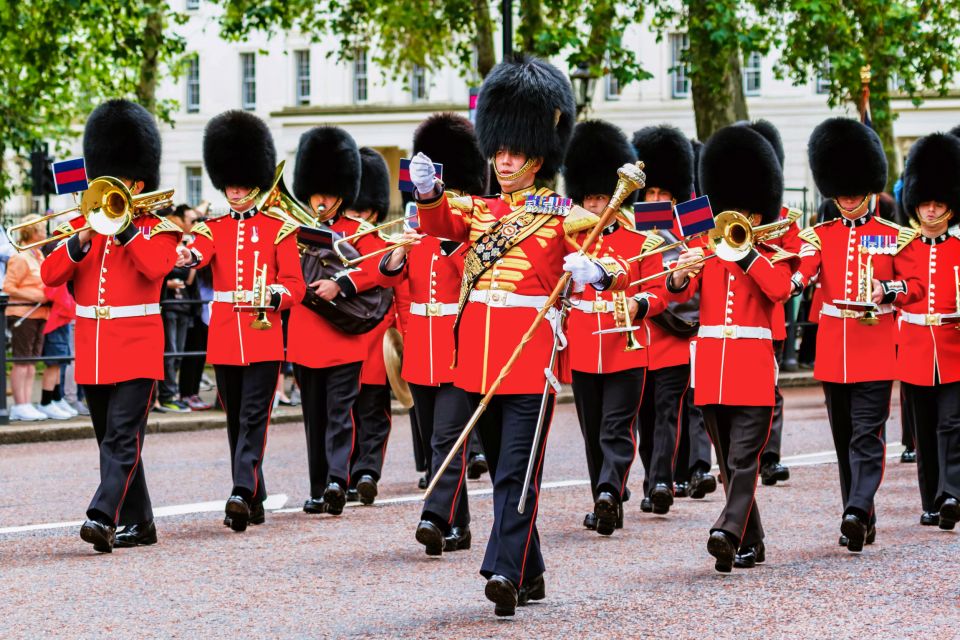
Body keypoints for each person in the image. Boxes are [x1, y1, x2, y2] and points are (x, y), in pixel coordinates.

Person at [409, 55, 632, 617]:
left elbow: (613, 264)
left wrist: (595, 273)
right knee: (489, 467)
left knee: (516, 471)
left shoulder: (565, 219)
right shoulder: (479, 211)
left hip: (528, 363)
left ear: (537, 155)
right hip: (474, 364)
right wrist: (431, 193)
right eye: (498, 151)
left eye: (514, 153)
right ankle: (529, 569)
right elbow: (439, 227)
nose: (503, 162)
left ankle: (505, 571)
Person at [42, 98, 181, 552]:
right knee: (112, 442)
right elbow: (49, 275)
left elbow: (155, 268)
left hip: (138, 346)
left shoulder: (158, 228)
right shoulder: (84, 226)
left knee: (122, 437)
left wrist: (122, 229)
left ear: (137, 183)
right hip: (94, 347)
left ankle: (102, 516)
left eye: (119, 180)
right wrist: (82, 237)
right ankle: (141, 524)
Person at [667, 124, 798, 572]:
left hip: (753, 363)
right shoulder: (707, 243)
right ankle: (750, 541)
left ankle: (726, 529)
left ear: (759, 213)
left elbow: (780, 289)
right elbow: (679, 290)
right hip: (712, 365)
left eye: (745, 210)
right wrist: (681, 273)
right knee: (727, 459)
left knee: (745, 457)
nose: (736, 218)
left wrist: (748, 255)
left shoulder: (770, 250)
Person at [791, 117, 922, 552]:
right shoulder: (820, 235)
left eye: (853, 190)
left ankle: (854, 509)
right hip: (834, 347)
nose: (847, 198)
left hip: (876, 343)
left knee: (869, 434)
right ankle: (860, 511)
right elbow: (804, 270)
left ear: (869, 187)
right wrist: (796, 279)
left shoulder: (895, 236)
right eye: (841, 191)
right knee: (845, 437)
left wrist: (889, 289)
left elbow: (915, 285)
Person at [178, 110, 305, 532]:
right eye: (229, 182)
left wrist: (274, 295)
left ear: (254, 182)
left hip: (263, 334)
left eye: (241, 182)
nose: (234, 189)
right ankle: (256, 496)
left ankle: (238, 491)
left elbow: (295, 286)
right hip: (226, 337)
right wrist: (188, 255)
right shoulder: (213, 228)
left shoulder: (279, 229)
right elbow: (200, 249)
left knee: (254, 416)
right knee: (235, 419)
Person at [383, 113, 487, 555]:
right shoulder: (416, 229)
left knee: (448, 439)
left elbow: (477, 276)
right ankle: (458, 526)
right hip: (421, 349)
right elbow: (389, 276)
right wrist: (393, 256)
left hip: (457, 346)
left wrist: (448, 243)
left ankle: (434, 516)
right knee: (433, 443)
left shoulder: (472, 230)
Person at [562, 120, 664, 535]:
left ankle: (608, 491)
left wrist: (639, 304)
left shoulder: (642, 242)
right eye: (589, 196)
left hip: (627, 343)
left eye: (602, 196)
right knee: (592, 432)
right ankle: (604, 501)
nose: (595, 203)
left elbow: (658, 293)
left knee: (616, 427)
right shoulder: (570, 241)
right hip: (585, 346)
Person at [286, 126, 394, 516]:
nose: (322, 201)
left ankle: (337, 480)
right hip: (304, 334)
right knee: (314, 418)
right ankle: (319, 488)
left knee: (340, 415)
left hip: (344, 339)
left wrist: (340, 284)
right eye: (316, 193)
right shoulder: (293, 232)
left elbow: (383, 271)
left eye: (329, 194)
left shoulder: (360, 233)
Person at [630, 125, 716, 511]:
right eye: (651, 192)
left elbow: (707, 261)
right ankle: (654, 479)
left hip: (678, 330)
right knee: (645, 417)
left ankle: (664, 481)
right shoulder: (632, 219)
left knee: (669, 411)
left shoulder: (694, 216)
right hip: (642, 330)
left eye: (664, 192)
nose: (658, 198)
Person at [894, 132, 960, 530]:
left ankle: (951, 493)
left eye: (938, 204)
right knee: (923, 429)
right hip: (917, 346)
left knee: (952, 424)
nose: (932, 211)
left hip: (953, 346)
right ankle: (931, 500)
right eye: (926, 204)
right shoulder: (902, 249)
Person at [347, 147, 399, 505]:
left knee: (372, 410)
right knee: (343, 411)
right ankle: (345, 472)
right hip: (340, 338)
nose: (356, 215)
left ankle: (367, 471)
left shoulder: (384, 243)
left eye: (362, 210)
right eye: (353, 208)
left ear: (375, 211)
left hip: (376, 336)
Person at [4, 216, 51, 421]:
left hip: (39, 313)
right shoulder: (21, 256)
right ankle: (20, 404)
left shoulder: (38, 255)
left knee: (31, 361)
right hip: (23, 314)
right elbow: (8, 287)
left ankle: (26, 403)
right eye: (42, 230)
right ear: (32, 232)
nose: (45, 234)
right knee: (22, 361)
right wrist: (36, 297)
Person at [156, 204, 196, 413]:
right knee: (170, 353)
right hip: (169, 305)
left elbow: (188, 278)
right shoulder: (165, 243)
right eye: (190, 221)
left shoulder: (184, 245)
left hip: (183, 305)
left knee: (178, 354)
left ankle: (173, 393)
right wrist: (169, 281)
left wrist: (194, 255)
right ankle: (167, 395)